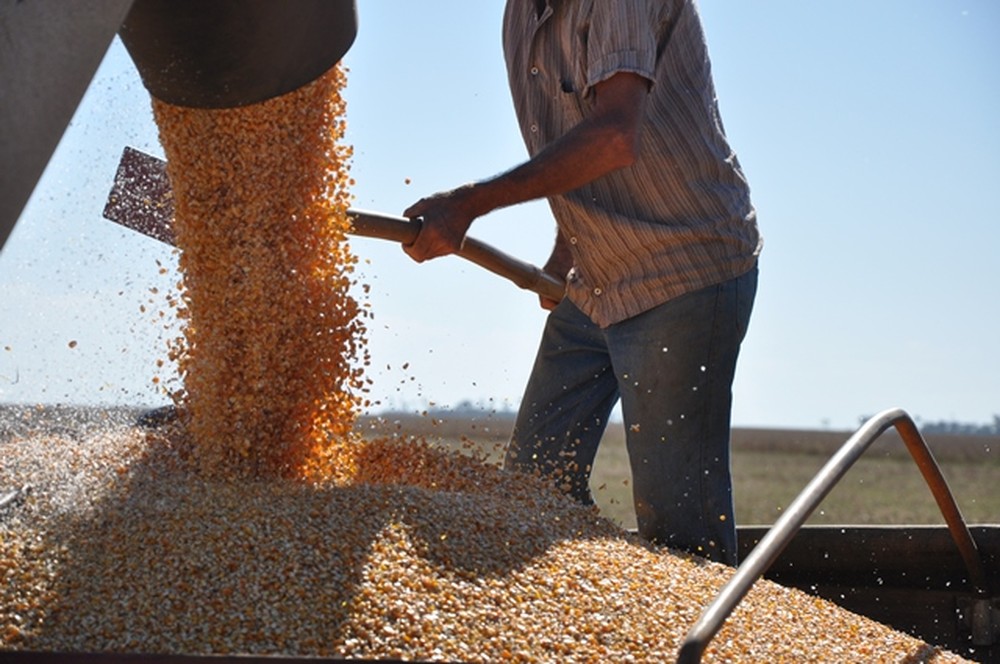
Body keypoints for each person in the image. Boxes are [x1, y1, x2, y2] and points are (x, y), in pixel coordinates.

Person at [402, 0, 761, 565]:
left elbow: (615, 136)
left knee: (679, 529)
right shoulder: (521, 16)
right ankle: (592, 612)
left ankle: (698, 644)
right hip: (595, 280)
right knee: (531, 488)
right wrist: (566, 249)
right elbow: (569, 142)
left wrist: (470, 203)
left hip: (684, 267)